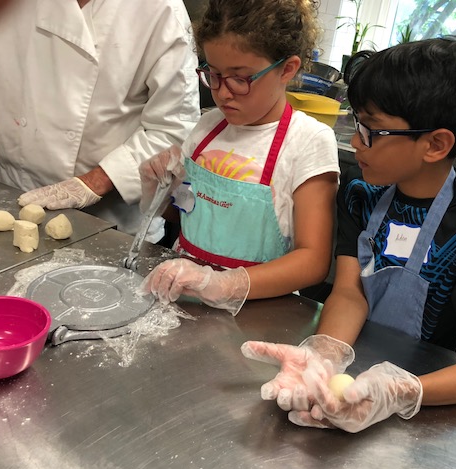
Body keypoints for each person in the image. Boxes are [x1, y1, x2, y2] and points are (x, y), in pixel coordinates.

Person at [241, 38, 456, 433]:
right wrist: (324, 358)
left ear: (435, 144)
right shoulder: (360, 194)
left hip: (425, 400)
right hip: (352, 367)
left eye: (371, 130)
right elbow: (349, 292)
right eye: (358, 123)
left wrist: (399, 392)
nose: (356, 142)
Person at [138, 0, 340, 314]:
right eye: (213, 74)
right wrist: (158, 190)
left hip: (260, 310)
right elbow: (184, 215)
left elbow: (312, 261)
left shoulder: (308, 141)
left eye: (240, 78)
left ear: (287, 68)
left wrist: (225, 284)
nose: (222, 92)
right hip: (183, 296)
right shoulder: (208, 126)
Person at [0, 0, 200, 236]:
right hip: (9, 197)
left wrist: (93, 183)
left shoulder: (161, 11)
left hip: (107, 222)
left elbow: (173, 129)